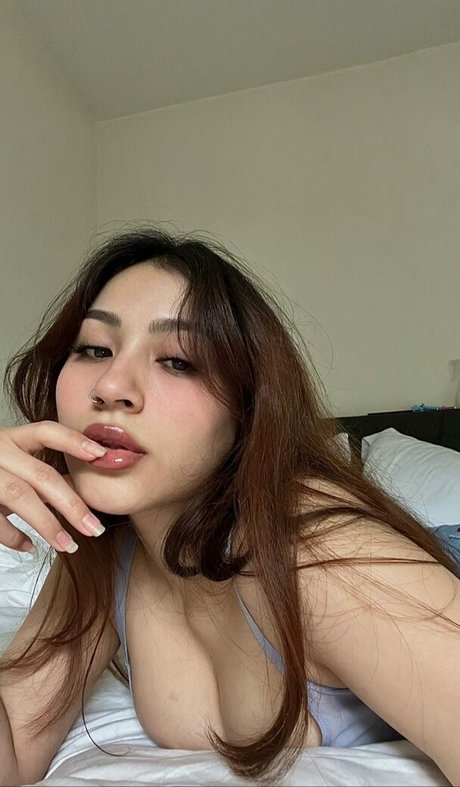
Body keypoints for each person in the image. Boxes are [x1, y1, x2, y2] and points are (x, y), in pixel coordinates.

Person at [0, 227, 458, 787]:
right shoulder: (105, 544)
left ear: (247, 408)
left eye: (177, 360)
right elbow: (13, 748)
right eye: (94, 349)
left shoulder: (323, 554)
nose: (111, 385)